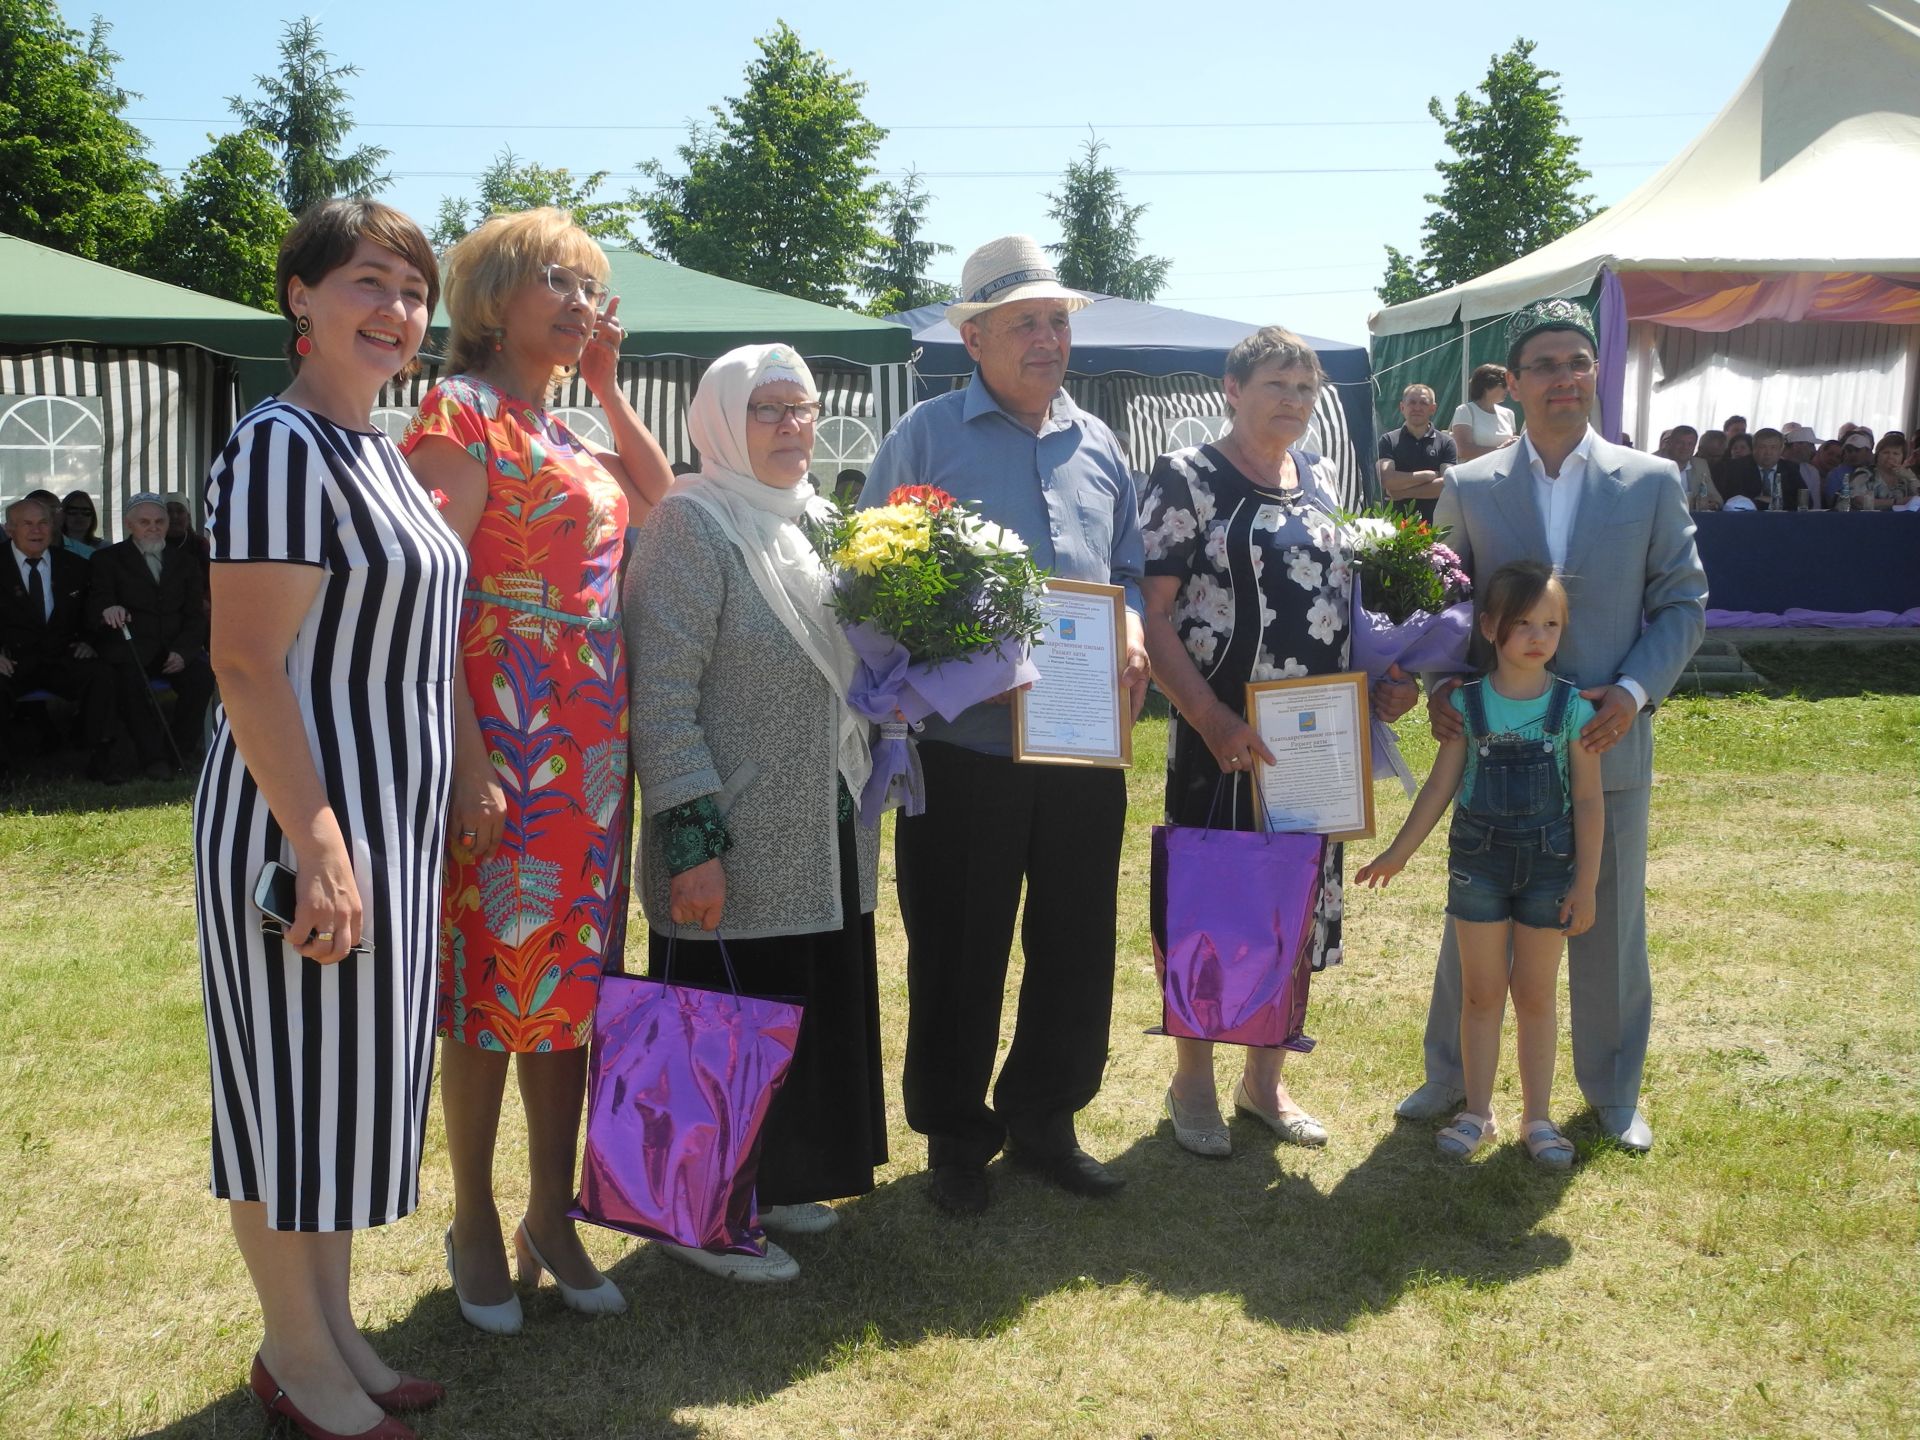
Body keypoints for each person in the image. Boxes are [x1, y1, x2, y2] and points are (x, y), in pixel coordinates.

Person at [194, 199, 463, 1439]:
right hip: (298, 819)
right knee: (292, 1090)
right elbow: (247, 665)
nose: (396, 312)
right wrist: (318, 841)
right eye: (368, 282)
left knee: (348, 1086)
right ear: (300, 296)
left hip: (381, 818)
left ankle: (336, 1331)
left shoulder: (376, 449)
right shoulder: (278, 447)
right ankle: (295, 1355)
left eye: (413, 291)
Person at [400, 207, 672, 1332]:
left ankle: (549, 1217)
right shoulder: (457, 414)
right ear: (493, 298)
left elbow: (663, 499)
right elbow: (428, 602)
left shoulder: (568, 434)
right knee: (490, 986)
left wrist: (607, 387)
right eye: (555, 280)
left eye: (589, 283)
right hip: (501, 731)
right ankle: (472, 1220)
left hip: (592, 745)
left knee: (573, 991)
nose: (577, 299)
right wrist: (466, 761)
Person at [858, 234, 1150, 1216]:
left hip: (1080, 743)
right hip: (964, 748)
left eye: (1058, 320)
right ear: (971, 337)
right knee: (960, 944)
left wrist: (1138, 628)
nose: (1047, 338)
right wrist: (956, 665)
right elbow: (867, 580)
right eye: (1024, 321)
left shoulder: (1100, 443)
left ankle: (1046, 1120)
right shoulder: (926, 437)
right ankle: (954, 1136)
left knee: (1075, 938)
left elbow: (1134, 570)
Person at [1397, 297, 1706, 1155]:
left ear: (1593, 374)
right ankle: (1452, 1076)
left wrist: (1634, 693)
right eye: (1545, 365)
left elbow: (1684, 603)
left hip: (1607, 741)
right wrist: (1446, 686)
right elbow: (1448, 604)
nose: (1565, 376)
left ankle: (1610, 1093)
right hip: (1497, 749)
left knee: (1607, 916)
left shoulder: (1652, 481)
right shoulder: (1470, 482)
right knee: (1481, 910)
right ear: (1516, 384)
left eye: (1578, 361)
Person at [625, 343, 886, 1282]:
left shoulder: (821, 522)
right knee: (723, 1014)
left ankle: (766, 1184)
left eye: (803, 407)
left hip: (824, 826)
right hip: (732, 833)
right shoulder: (690, 525)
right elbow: (660, 699)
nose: (790, 425)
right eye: (767, 408)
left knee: (796, 1005)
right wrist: (692, 844)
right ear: (721, 420)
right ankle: (699, 1212)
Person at [1140, 328, 1420, 1159]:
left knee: (1293, 901)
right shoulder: (1186, 477)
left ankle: (1264, 1084)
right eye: (1277, 382)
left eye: (1308, 386)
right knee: (1211, 904)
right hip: (1223, 733)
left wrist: (1382, 685)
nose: (1295, 399)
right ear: (1232, 387)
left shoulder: (1324, 480)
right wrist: (1208, 717)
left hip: (1317, 736)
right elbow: (1152, 614)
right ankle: (1191, 1080)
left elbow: (1343, 605)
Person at [1357, 561, 1601, 1168]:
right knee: (1482, 993)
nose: (1538, 636)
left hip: (1549, 869)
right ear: (1490, 627)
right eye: (1523, 623)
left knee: (1537, 995)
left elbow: (1591, 802)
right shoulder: (1464, 706)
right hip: (1478, 868)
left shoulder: (1572, 708)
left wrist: (1587, 884)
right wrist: (1398, 852)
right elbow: (1440, 788)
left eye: (1551, 623)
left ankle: (1538, 1118)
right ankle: (1476, 1112)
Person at [90, 491, 214, 777]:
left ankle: (178, 751)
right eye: (145, 522)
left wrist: (183, 651)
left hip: (175, 647)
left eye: (160, 521)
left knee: (201, 677)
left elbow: (195, 616)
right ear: (129, 524)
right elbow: (97, 601)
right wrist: (109, 609)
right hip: (131, 646)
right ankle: (153, 757)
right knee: (128, 681)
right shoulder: (107, 560)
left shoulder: (185, 562)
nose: (153, 528)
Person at [1, 493, 119, 784]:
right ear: (9, 530)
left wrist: (90, 640)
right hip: (11, 660)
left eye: (43, 523)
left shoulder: (75, 566)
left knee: (101, 675)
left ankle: (100, 760)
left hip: (60, 657)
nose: (37, 530)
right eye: (27, 524)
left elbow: (90, 612)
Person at [1376, 382, 1458, 523]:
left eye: (1424, 403)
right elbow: (1387, 479)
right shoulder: (1388, 440)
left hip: (1436, 526)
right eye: (1412, 402)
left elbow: (1447, 485)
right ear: (1402, 407)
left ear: (1433, 408)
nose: (1417, 408)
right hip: (1395, 528)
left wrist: (1402, 492)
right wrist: (1428, 475)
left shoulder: (1446, 442)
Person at [1716, 428, 1807, 511]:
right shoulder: (1736, 467)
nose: (1768, 452)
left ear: (1781, 450)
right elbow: (1733, 500)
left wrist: (1771, 500)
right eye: (1762, 447)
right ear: (1754, 448)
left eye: (1773, 447)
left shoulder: (1790, 468)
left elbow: (1805, 502)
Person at [1449, 364, 1517, 461]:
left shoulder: (1509, 413)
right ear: (1488, 385)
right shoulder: (1464, 411)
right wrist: (1500, 450)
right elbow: (1463, 450)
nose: (1508, 389)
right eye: (1504, 385)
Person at [1848, 431, 1918, 510]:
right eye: (1886, 452)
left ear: (1903, 458)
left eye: (1896, 454)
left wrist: (1912, 479)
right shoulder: (1865, 473)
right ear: (1877, 455)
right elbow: (1859, 501)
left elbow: (1917, 503)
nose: (1890, 457)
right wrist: (1896, 502)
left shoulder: (1904, 478)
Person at [1660, 425, 1720, 512]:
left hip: (1692, 521)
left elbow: (1718, 500)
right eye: (1680, 443)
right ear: (1669, 443)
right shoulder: (1653, 462)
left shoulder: (1701, 465)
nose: (1685, 448)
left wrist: (1712, 505)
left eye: (1690, 444)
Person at [1782, 425, 1824, 509]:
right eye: (1810, 445)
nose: (1814, 450)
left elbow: (1815, 507)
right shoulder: (1774, 465)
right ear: (1796, 445)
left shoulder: (1812, 471)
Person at [60, 489, 105, 555]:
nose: (79, 516)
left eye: (86, 512)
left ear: (93, 516)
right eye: (73, 511)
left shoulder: (104, 548)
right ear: (62, 514)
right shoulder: (52, 546)